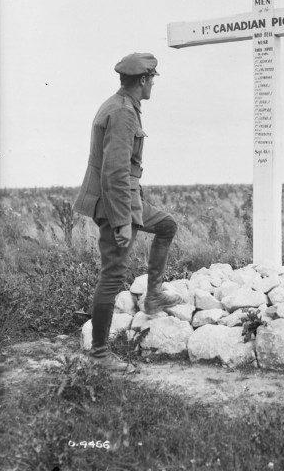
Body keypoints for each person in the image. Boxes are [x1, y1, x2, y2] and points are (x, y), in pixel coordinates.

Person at [74, 52, 182, 373]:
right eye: (152, 80)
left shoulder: (123, 106)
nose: (153, 85)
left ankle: (153, 296)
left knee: (166, 225)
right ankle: (100, 355)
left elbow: (126, 172)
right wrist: (122, 222)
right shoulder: (122, 113)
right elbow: (115, 172)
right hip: (115, 205)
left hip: (127, 199)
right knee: (113, 275)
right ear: (144, 80)